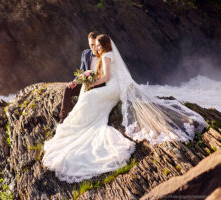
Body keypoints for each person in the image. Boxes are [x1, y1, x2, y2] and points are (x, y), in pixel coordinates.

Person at [42, 34, 206, 183]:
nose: (96, 48)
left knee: (91, 96)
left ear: (104, 45)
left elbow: (105, 77)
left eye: (98, 45)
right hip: (113, 86)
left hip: (113, 88)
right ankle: (79, 119)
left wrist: (91, 83)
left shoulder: (106, 56)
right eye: (95, 45)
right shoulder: (105, 54)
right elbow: (100, 74)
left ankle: (83, 121)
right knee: (88, 95)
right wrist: (86, 81)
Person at [59, 31, 105, 123]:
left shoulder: (105, 56)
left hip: (98, 86)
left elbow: (106, 76)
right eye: (90, 44)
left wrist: (94, 82)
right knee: (68, 89)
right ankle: (63, 118)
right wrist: (75, 81)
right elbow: (82, 71)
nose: (91, 47)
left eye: (93, 44)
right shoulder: (85, 53)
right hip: (86, 84)